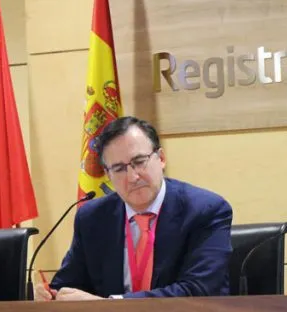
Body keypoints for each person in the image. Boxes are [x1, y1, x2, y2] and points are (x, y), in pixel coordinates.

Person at [36, 116, 233, 301]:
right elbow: (71, 284)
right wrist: (51, 295)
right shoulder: (92, 218)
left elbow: (200, 290)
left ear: (161, 158)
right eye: (119, 168)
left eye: (139, 162)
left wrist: (111, 305)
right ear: (107, 174)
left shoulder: (205, 210)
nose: (132, 177)